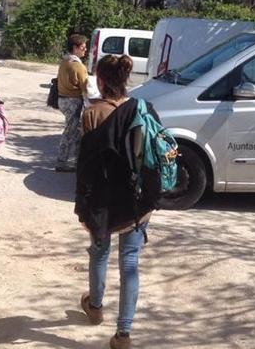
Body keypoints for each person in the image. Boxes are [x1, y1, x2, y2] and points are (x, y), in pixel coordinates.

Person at [75, 55, 158, 349]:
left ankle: (95, 307)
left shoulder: (91, 114)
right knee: (130, 263)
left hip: (102, 202)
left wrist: (82, 207)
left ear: (100, 80)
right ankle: (123, 335)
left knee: (99, 254)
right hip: (137, 202)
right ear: (125, 80)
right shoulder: (143, 109)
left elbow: (85, 165)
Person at [55, 33, 88, 172]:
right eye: (83, 48)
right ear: (75, 48)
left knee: (75, 131)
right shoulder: (78, 66)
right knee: (70, 131)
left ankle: (74, 160)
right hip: (73, 102)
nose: (85, 50)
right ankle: (62, 161)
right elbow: (86, 86)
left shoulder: (64, 61)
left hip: (62, 100)